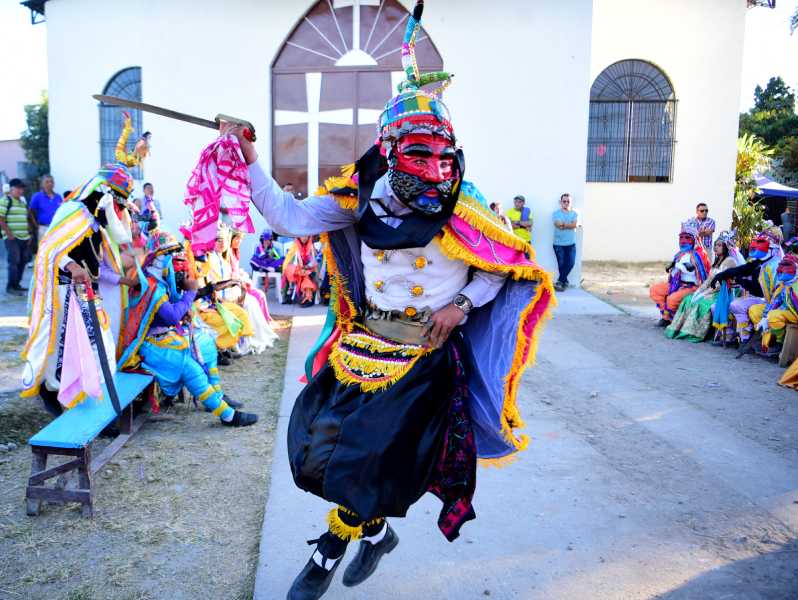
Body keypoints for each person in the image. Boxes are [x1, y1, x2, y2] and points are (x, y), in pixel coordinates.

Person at [223, 3, 555, 596]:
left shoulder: (466, 206)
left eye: (444, 155)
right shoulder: (355, 199)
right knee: (314, 444)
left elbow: (508, 268)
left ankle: (326, 555)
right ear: (390, 148)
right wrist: (250, 157)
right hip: (362, 346)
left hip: (425, 360)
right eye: (421, 154)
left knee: (366, 458)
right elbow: (288, 216)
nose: (437, 168)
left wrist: (462, 307)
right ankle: (376, 536)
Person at [20, 160, 138, 413]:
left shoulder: (95, 221)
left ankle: (95, 404)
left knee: (99, 347)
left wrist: (110, 211)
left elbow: (124, 237)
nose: (118, 209)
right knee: (63, 350)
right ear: (104, 194)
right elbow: (49, 249)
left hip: (87, 293)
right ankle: (58, 396)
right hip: (64, 292)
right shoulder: (73, 211)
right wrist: (72, 266)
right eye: (116, 202)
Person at [117, 230, 256, 426]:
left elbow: (175, 310)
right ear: (157, 257)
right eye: (169, 254)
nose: (173, 259)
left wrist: (189, 297)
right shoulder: (150, 285)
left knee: (207, 345)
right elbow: (171, 316)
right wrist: (190, 293)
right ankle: (227, 415)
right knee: (189, 368)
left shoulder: (159, 281)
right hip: (149, 346)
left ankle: (216, 396)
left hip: (166, 339)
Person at [710, 227, 783, 347]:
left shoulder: (776, 266)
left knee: (737, 305)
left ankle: (747, 340)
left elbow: (761, 291)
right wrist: (722, 275)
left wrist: (741, 281)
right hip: (763, 300)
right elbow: (743, 269)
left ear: (772, 247)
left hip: (773, 304)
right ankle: (730, 337)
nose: (756, 245)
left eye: (761, 242)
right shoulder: (762, 262)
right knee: (718, 306)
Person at [665, 231, 742, 342]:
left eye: (719, 245)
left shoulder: (729, 261)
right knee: (688, 299)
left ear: (726, 247)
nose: (716, 247)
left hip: (722, 294)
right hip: (711, 291)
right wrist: (699, 291)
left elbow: (720, 284)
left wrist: (705, 294)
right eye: (715, 244)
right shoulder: (716, 261)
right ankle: (678, 329)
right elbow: (708, 281)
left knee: (701, 304)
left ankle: (696, 333)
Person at [649, 223, 710, 327]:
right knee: (655, 290)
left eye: (687, 238)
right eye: (681, 237)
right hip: (677, 284)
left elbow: (690, 270)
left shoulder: (698, 254)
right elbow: (673, 271)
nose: (683, 240)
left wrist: (678, 266)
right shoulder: (679, 254)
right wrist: (671, 268)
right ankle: (666, 317)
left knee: (671, 300)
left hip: (692, 287)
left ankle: (673, 319)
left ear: (694, 239)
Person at [0, 178, 33, 295]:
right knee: (14, 261)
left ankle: (17, 285)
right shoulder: (5, 200)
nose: (21, 190)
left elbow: (26, 219)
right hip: (12, 238)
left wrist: (28, 235)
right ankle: (11, 287)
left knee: (23, 261)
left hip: (24, 237)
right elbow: (1, 218)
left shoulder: (22, 202)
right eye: (18, 188)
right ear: (11, 189)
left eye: (22, 188)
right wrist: (9, 234)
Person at [551, 193, 579, 291]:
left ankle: (560, 281)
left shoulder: (575, 213)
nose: (566, 203)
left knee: (571, 263)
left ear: (571, 203)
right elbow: (558, 225)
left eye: (568, 201)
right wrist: (569, 225)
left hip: (571, 244)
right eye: (564, 201)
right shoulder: (555, 213)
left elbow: (574, 225)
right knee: (561, 265)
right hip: (558, 244)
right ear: (560, 202)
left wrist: (564, 225)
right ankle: (564, 282)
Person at [281, 235, 319, 306]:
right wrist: (301, 268)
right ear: (299, 237)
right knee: (293, 271)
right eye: (302, 236)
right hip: (296, 269)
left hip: (308, 269)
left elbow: (314, 260)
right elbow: (289, 262)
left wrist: (307, 267)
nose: (304, 238)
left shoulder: (311, 246)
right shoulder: (295, 246)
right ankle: (291, 296)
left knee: (308, 276)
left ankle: (307, 297)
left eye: (306, 236)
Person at [29, 174, 63, 242]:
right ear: (42, 184)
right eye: (47, 182)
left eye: (51, 182)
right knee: (45, 251)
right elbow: (30, 212)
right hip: (43, 228)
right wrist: (36, 225)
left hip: (57, 228)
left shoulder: (58, 197)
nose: (50, 183)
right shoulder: (37, 196)